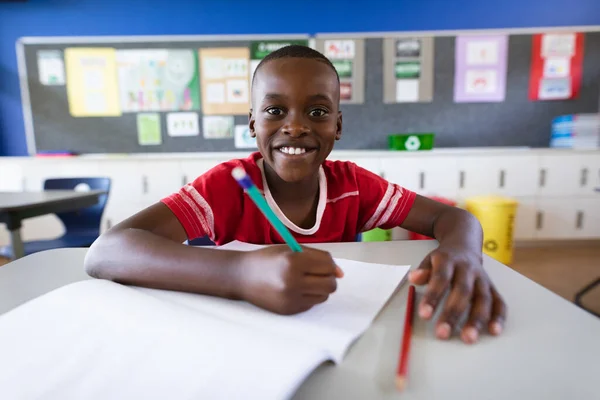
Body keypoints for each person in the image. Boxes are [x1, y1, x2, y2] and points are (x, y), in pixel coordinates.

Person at [85, 45, 506, 345]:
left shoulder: (354, 187)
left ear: (338, 126)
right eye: (274, 111)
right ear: (252, 124)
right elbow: (107, 252)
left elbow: (454, 219)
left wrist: (464, 252)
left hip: (337, 336)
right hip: (237, 343)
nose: (296, 126)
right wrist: (241, 275)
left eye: (318, 112)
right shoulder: (228, 187)